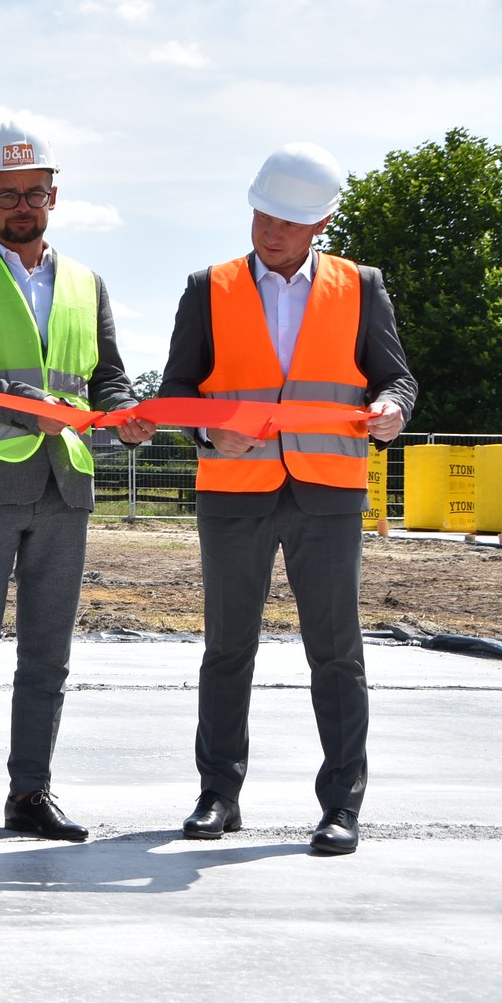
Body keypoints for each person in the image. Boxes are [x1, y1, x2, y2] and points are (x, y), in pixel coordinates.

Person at [158, 144, 415, 855]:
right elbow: (179, 393)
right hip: (234, 492)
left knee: (336, 651)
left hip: (329, 492)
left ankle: (341, 805)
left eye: (288, 221)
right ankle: (219, 794)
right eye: (262, 214)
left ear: (322, 222)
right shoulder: (207, 286)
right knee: (226, 647)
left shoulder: (361, 286)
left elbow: (396, 378)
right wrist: (211, 436)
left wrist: (393, 407)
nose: (270, 231)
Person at [0, 122, 154, 843]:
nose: (22, 205)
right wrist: (27, 401)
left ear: (54, 194)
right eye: (7, 193)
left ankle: (31, 792)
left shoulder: (86, 282)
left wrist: (123, 416)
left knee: (48, 652)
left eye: (34, 193)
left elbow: (106, 376)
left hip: (66, 487)